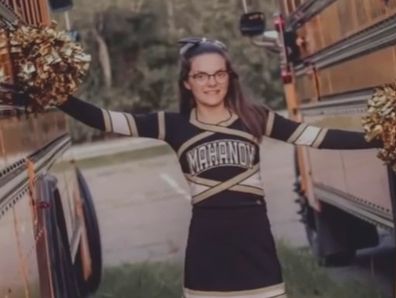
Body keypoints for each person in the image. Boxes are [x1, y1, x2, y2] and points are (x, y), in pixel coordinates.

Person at [56, 37, 380, 298]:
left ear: (229, 77)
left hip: (256, 248)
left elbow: (318, 136)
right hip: (207, 251)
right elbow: (105, 118)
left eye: (219, 73)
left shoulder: (256, 116)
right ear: (187, 82)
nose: (211, 82)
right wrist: (58, 96)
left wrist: (379, 138)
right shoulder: (172, 124)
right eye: (201, 75)